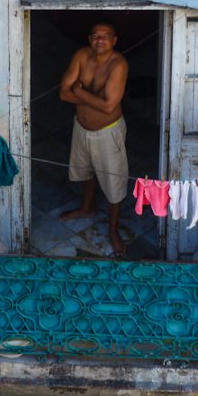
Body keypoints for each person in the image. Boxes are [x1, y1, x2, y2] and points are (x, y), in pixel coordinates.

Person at [59, 22, 129, 256]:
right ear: (89, 39)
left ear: (114, 40)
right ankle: (87, 208)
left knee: (113, 181)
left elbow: (109, 106)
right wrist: (88, 98)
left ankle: (113, 229)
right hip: (81, 127)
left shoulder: (118, 64)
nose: (100, 40)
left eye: (106, 36)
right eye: (96, 36)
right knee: (87, 170)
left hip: (108, 131)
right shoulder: (81, 55)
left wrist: (79, 92)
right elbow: (62, 93)